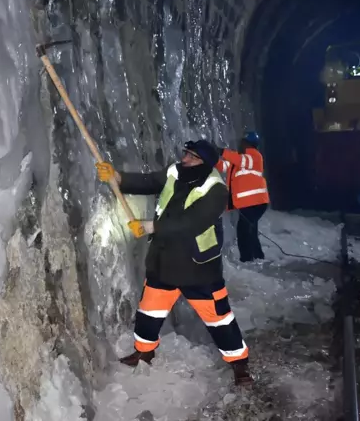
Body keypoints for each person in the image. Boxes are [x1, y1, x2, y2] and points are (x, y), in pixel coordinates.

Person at [95, 140, 252, 385]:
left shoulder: (216, 190)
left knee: (219, 318)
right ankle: (144, 350)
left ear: (206, 164)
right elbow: (149, 182)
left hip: (198, 267)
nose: (185, 159)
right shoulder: (175, 171)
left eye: (192, 157)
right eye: (186, 154)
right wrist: (119, 177)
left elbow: (192, 223)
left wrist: (150, 226)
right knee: (149, 311)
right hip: (164, 259)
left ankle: (239, 363)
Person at [214, 131, 270, 263]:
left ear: (247, 144)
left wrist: (221, 151)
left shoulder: (254, 156)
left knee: (244, 231)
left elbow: (238, 160)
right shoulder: (240, 160)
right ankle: (257, 258)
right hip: (250, 203)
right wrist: (212, 157)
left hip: (255, 203)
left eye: (242, 142)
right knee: (250, 231)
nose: (239, 144)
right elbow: (224, 166)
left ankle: (247, 260)